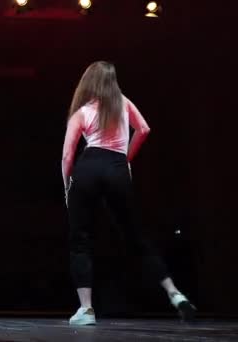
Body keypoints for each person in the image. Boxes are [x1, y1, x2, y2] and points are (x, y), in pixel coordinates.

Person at [61, 61, 195, 325]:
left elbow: (67, 154)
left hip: (88, 168)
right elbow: (144, 129)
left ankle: (86, 310)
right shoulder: (123, 103)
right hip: (117, 169)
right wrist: (126, 160)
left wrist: (67, 186)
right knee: (136, 237)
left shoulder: (83, 111)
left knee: (80, 239)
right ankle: (175, 293)